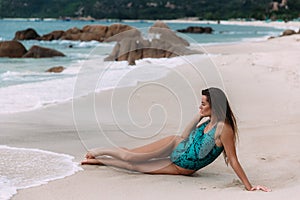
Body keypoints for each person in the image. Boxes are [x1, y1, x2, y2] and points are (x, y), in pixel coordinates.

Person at [82, 87, 270, 192]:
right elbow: (184, 136)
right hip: (174, 145)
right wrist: (199, 117)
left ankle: (100, 160)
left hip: (182, 167)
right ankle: (100, 151)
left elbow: (234, 159)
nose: (200, 106)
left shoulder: (224, 128)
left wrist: (249, 186)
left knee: (136, 167)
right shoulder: (207, 122)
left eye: (203, 104)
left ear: (215, 105)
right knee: (132, 157)